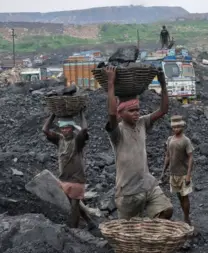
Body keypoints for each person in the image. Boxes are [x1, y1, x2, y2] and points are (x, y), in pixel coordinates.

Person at [104, 65, 173, 220]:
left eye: (137, 109)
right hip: (128, 191)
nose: (136, 113)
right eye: (131, 111)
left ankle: (149, 233)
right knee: (128, 230)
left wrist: (162, 84)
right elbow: (111, 113)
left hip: (148, 185)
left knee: (166, 210)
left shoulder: (142, 123)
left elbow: (163, 110)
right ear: (120, 113)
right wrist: (111, 83)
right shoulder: (117, 132)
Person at [42, 110, 95, 229]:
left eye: (68, 128)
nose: (65, 130)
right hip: (64, 178)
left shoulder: (78, 141)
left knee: (74, 206)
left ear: (72, 128)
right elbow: (45, 130)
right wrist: (53, 114)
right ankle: (89, 221)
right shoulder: (60, 139)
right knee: (73, 203)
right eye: (63, 128)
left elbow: (84, 130)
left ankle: (74, 230)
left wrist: (81, 113)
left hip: (76, 179)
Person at [161, 115, 194, 225]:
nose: (176, 129)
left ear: (182, 127)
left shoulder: (186, 141)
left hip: (183, 174)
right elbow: (168, 155)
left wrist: (188, 174)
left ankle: (186, 217)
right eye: (174, 127)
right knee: (179, 196)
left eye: (178, 127)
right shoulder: (170, 139)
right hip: (173, 173)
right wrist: (164, 170)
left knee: (185, 196)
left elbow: (190, 157)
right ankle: (185, 216)